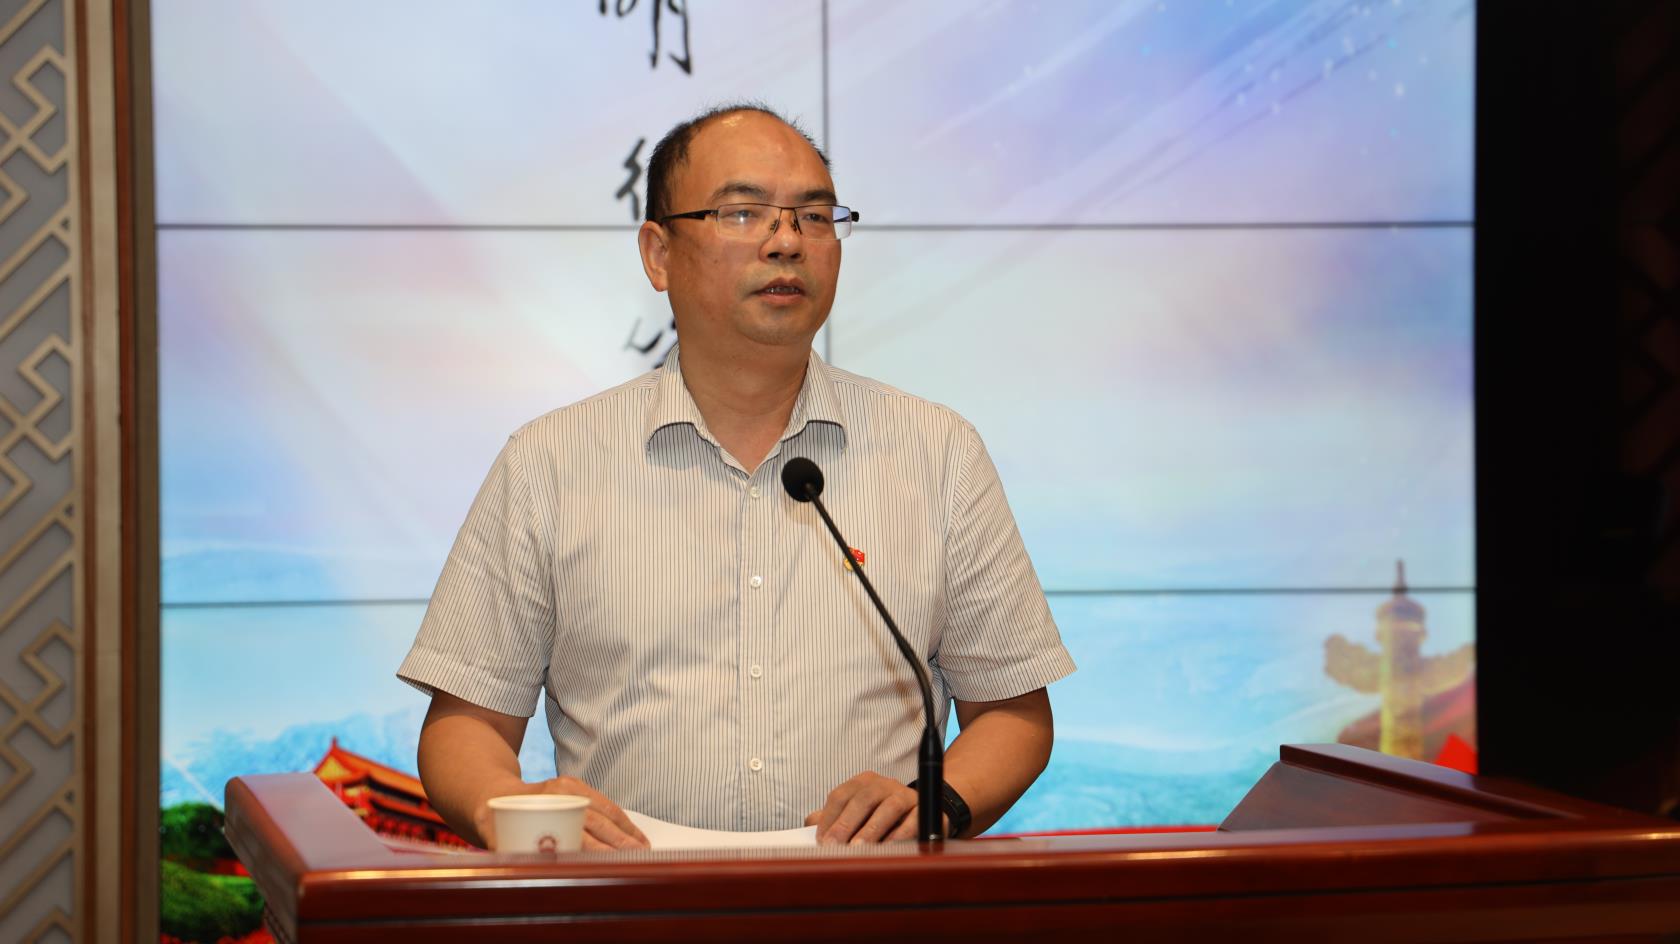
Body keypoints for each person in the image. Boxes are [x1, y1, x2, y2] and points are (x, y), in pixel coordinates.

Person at [398, 103, 1074, 850]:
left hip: (866, 899)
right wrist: (509, 810)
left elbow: (1012, 710)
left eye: (814, 216)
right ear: (658, 253)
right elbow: (466, 723)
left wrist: (934, 804)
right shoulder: (550, 463)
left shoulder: (937, 453)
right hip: (630, 898)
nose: (787, 241)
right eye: (742, 212)